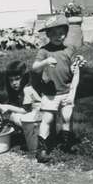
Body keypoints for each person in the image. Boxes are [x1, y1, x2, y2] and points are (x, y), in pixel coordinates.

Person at [32, 14, 85, 163]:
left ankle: (66, 144)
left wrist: (78, 63)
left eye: (61, 33)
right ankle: (42, 148)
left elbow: (74, 68)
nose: (58, 36)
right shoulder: (44, 51)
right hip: (50, 94)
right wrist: (45, 62)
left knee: (67, 117)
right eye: (53, 33)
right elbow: (35, 68)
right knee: (47, 119)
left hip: (66, 91)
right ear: (47, 34)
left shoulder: (69, 49)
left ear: (66, 33)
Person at [0, 60, 41, 135]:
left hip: (37, 119)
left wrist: (8, 107)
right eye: (11, 80)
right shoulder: (14, 90)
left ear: (24, 77)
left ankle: (32, 135)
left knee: (13, 116)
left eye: (17, 79)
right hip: (29, 117)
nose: (14, 83)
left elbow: (25, 110)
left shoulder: (27, 89)